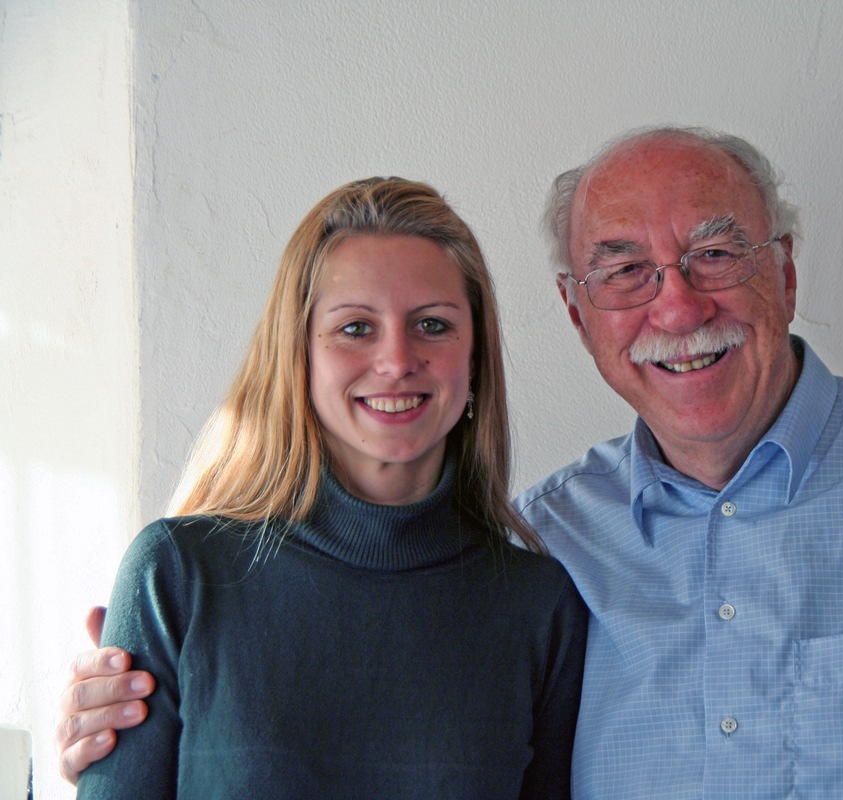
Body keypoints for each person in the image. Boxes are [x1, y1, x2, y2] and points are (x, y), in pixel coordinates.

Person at [60, 129, 843, 797]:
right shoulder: (554, 543)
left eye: (717, 252)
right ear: (574, 313)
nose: (680, 303)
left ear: (787, 274)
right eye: (624, 270)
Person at [70, 177, 587, 798]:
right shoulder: (178, 575)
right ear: (299, 355)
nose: (396, 360)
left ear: (474, 358)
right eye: (356, 328)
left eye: (432, 324)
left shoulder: (540, 604)